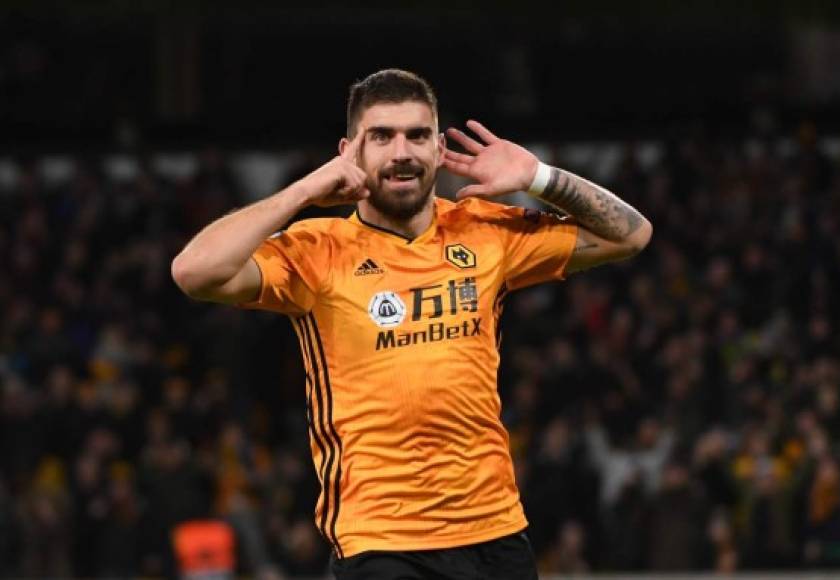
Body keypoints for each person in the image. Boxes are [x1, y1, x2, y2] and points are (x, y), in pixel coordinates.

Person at [171, 69, 652, 580]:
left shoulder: (485, 232)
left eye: (418, 135)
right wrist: (307, 189)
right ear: (349, 151)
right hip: (382, 544)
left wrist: (540, 178)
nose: (402, 151)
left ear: (439, 148)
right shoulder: (317, 252)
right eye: (381, 136)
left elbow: (631, 235)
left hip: (496, 535)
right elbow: (194, 271)